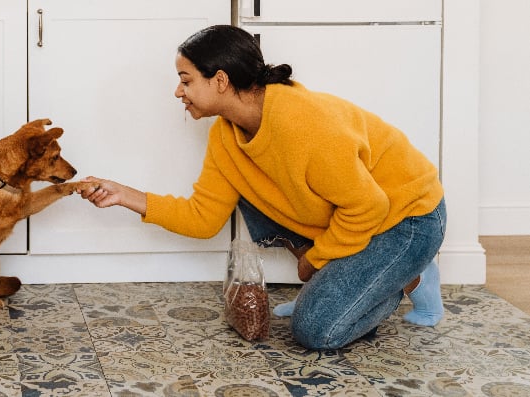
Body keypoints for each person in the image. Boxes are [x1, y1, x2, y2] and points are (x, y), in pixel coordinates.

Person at [77, 25, 446, 350]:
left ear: (220, 80)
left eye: (186, 80)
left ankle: (408, 275)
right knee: (250, 194)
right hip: (355, 216)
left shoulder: (305, 125)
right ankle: (343, 285)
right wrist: (124, 195)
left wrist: (313, 263)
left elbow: (369, 206)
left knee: (318, 332)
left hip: (407, 218)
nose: (178, 92)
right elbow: (203, 219)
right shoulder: (226, 134)